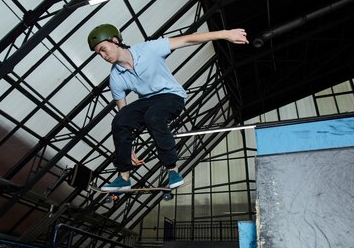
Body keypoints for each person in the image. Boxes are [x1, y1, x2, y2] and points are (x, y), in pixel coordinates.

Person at [87, 24, 248, 190]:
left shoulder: (149, 49)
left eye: (103, 49)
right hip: (148, 101)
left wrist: (225, 33)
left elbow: (187, 39)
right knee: (119, 120)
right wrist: (126, 148)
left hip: (172, 96)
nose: (103, 55)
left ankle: (172, 169)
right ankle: (124, 176)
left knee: (153, 117)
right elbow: (124, 114)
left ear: (115, 41)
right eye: (99, 53)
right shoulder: (115, 78)